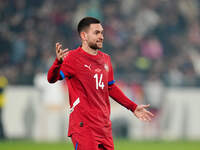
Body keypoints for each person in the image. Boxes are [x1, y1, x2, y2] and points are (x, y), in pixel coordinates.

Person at [47, 17, 154, 150]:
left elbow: (110, 87)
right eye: (96, 33)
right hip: (83, 127)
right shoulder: (72, 58)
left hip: (104, 127)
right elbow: (52, 78)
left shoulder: (106, 59)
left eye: (102, 33)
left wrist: (133, 107)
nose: (101, 36)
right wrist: (58, 63)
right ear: (84, 36)